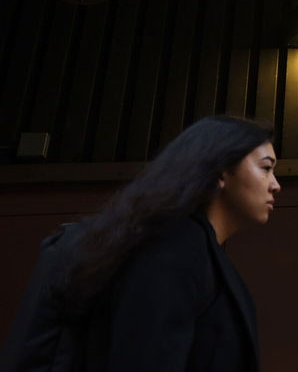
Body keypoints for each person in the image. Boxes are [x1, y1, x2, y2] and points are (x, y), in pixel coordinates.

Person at [0, 115, 280, 372]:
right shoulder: (176, 247)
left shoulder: (189, 249)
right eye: (266, 168)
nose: (275, 185)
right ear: (221, 171)